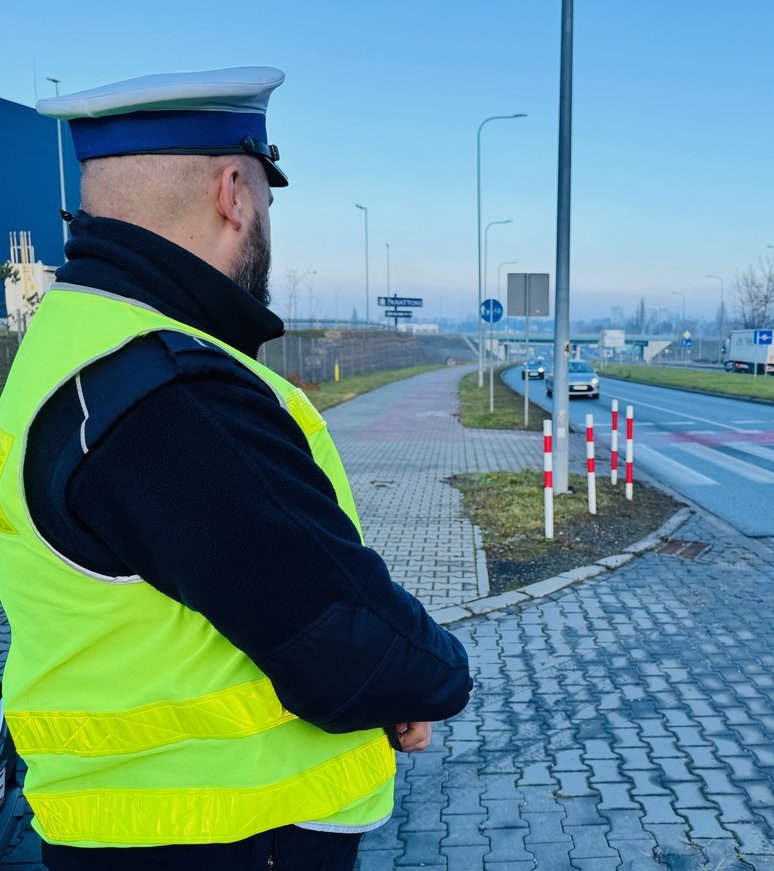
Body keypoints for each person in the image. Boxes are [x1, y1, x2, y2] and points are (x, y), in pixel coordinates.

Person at [0, 67, 472, 870]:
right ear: (235, 194)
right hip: (224, 836)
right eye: (266, 198)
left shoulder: (72, 342)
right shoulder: (167, 391)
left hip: (129, 825)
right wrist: (426, 677)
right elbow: (341, 636)